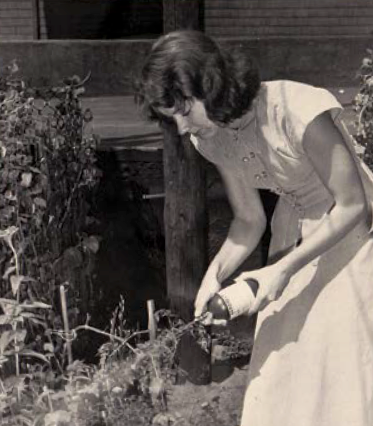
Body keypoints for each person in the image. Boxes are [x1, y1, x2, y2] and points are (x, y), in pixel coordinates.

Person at [136, 30, 373, 426]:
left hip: (354, 236)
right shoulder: (211, 139)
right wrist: (216, 274)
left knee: (342, 372)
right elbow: (248, 220)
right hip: (294, 233)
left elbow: (353, 205)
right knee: (283, 368)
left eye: (183, 111)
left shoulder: (295, 108)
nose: (180, 129)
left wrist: (280, 270)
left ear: (209, 86)